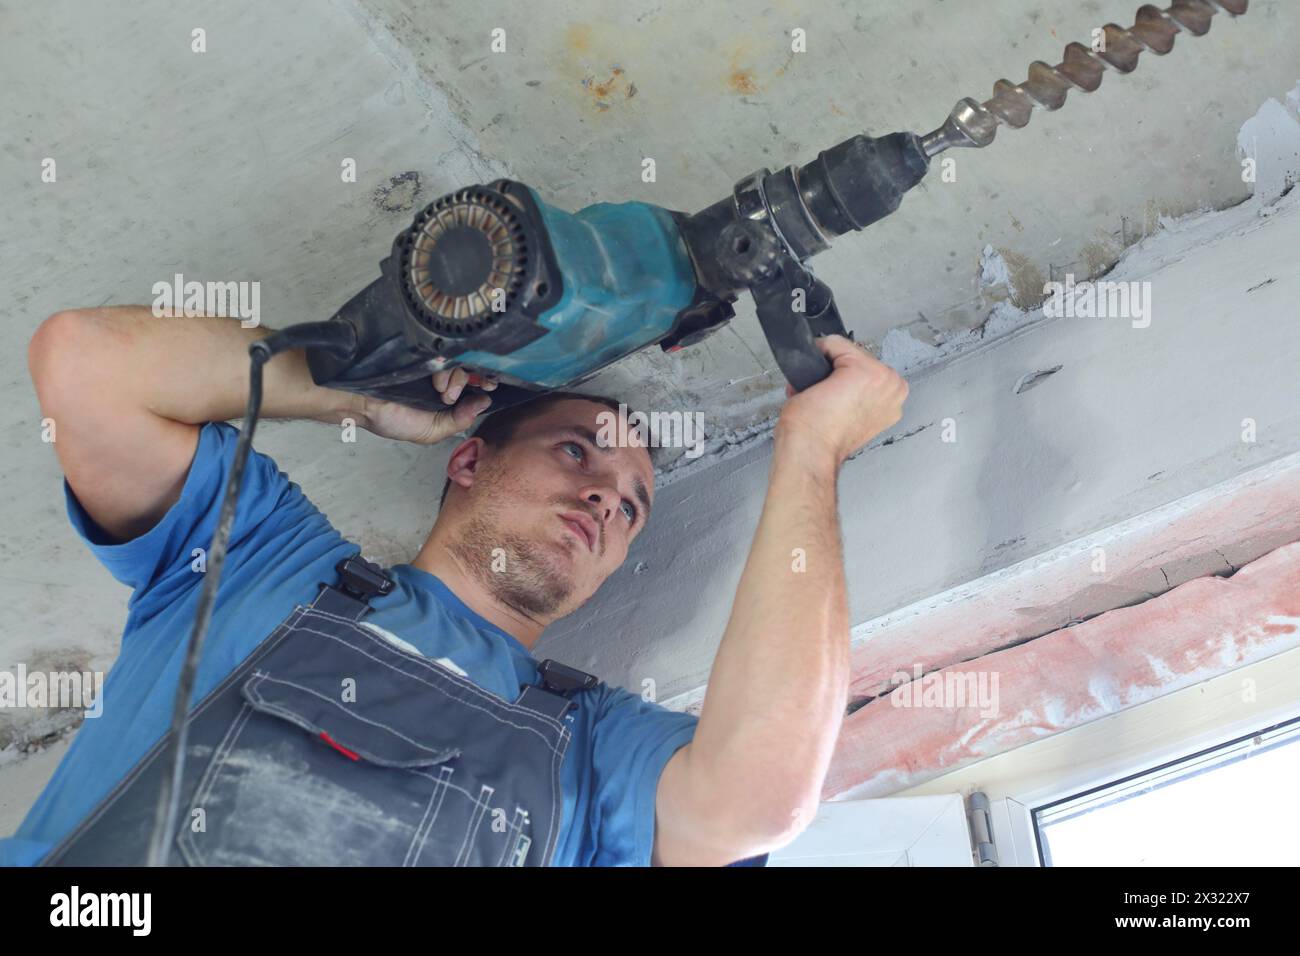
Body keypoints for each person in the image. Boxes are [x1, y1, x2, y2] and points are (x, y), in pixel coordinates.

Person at [4, 304, 907, 867]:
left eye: (632, 506)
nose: (604, 493)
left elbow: (762, 796)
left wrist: (813, 449)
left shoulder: (591, 752)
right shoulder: (261, 560)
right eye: (575, 450)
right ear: (468, 457)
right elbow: (86, 365)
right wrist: (359, 390)